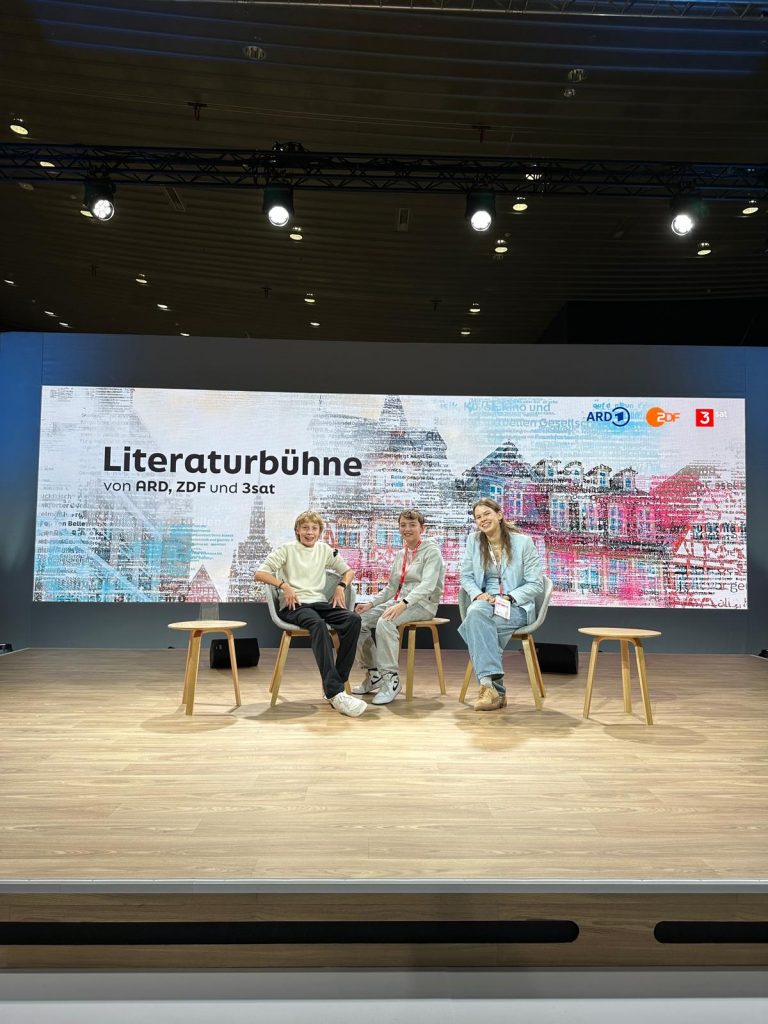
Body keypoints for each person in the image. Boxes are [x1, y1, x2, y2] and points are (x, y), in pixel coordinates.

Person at [255, 510, 367, 718]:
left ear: (320, 532)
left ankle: (336, 684)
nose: (310, 532)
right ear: (297, 530)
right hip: (294, 605)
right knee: (317, 624)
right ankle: (335, 692)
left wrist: (341, 586)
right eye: (305, 528)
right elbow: (260, 573)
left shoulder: (324, 550)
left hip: (319, 603)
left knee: (353, 619)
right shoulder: (287, 549)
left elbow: (348, 571)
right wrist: (284, 585)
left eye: (314, 528)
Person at [458, 498, 543, 711]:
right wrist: (478, 595)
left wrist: (510, 597)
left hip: (516, 605)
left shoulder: (523, 542)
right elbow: (466, 577)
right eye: (478, 517)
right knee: (475, 612)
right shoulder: (473, 541)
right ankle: (490, 688)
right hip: (487, 602)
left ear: (499, 514)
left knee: (477, 627)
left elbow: (535, 584)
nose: (483, 519)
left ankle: (491, 690)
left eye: (487, 514)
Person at [353, 509, 445, 705]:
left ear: (422, 528)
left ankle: (391, 680)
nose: (407, 529)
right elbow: (391, 587)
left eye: (412, 525)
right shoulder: (401, 553)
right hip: (400, 601)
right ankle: (374, 674)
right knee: (357, 622)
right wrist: (370, 604)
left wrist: (403, 604)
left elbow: (428, 585)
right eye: (403, 525)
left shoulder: (432, 551)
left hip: (423, 604)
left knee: (385, 622)